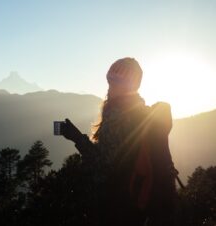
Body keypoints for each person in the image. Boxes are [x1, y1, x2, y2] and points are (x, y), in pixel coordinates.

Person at [62, 57, 177, 226]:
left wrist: (77, 138)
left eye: (116, 80)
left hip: (116, 205)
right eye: (109, 79)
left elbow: (102, 164)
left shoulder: (120, 118)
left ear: (130, 85)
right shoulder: (140, 114)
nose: (110, 86)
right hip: (134, 206)